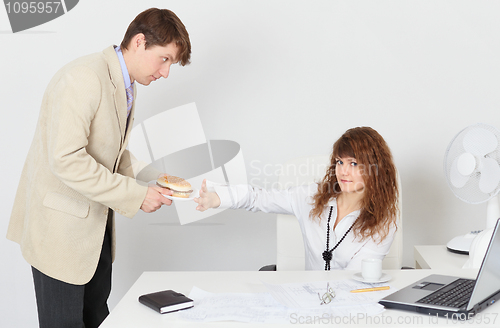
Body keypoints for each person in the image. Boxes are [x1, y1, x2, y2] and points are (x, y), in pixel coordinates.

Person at [7, 8, 191, 328]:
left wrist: (159, 180)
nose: (165, 73)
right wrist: (136, 195)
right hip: (61, 238)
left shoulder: (125, 85)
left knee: (98, 321)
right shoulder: (84, 77)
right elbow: (67, 159)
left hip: (95, 236)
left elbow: (111, 154)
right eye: (164, 59)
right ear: (139, 42)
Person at [195, 127, 399, 271]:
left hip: (349, 310)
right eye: (339, 162)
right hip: (306, 302)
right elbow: (259, 198)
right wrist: (218, 198)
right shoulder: (312, 197)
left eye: (354, 164)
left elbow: (354, 282)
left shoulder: (383, 224)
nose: (343, 171)